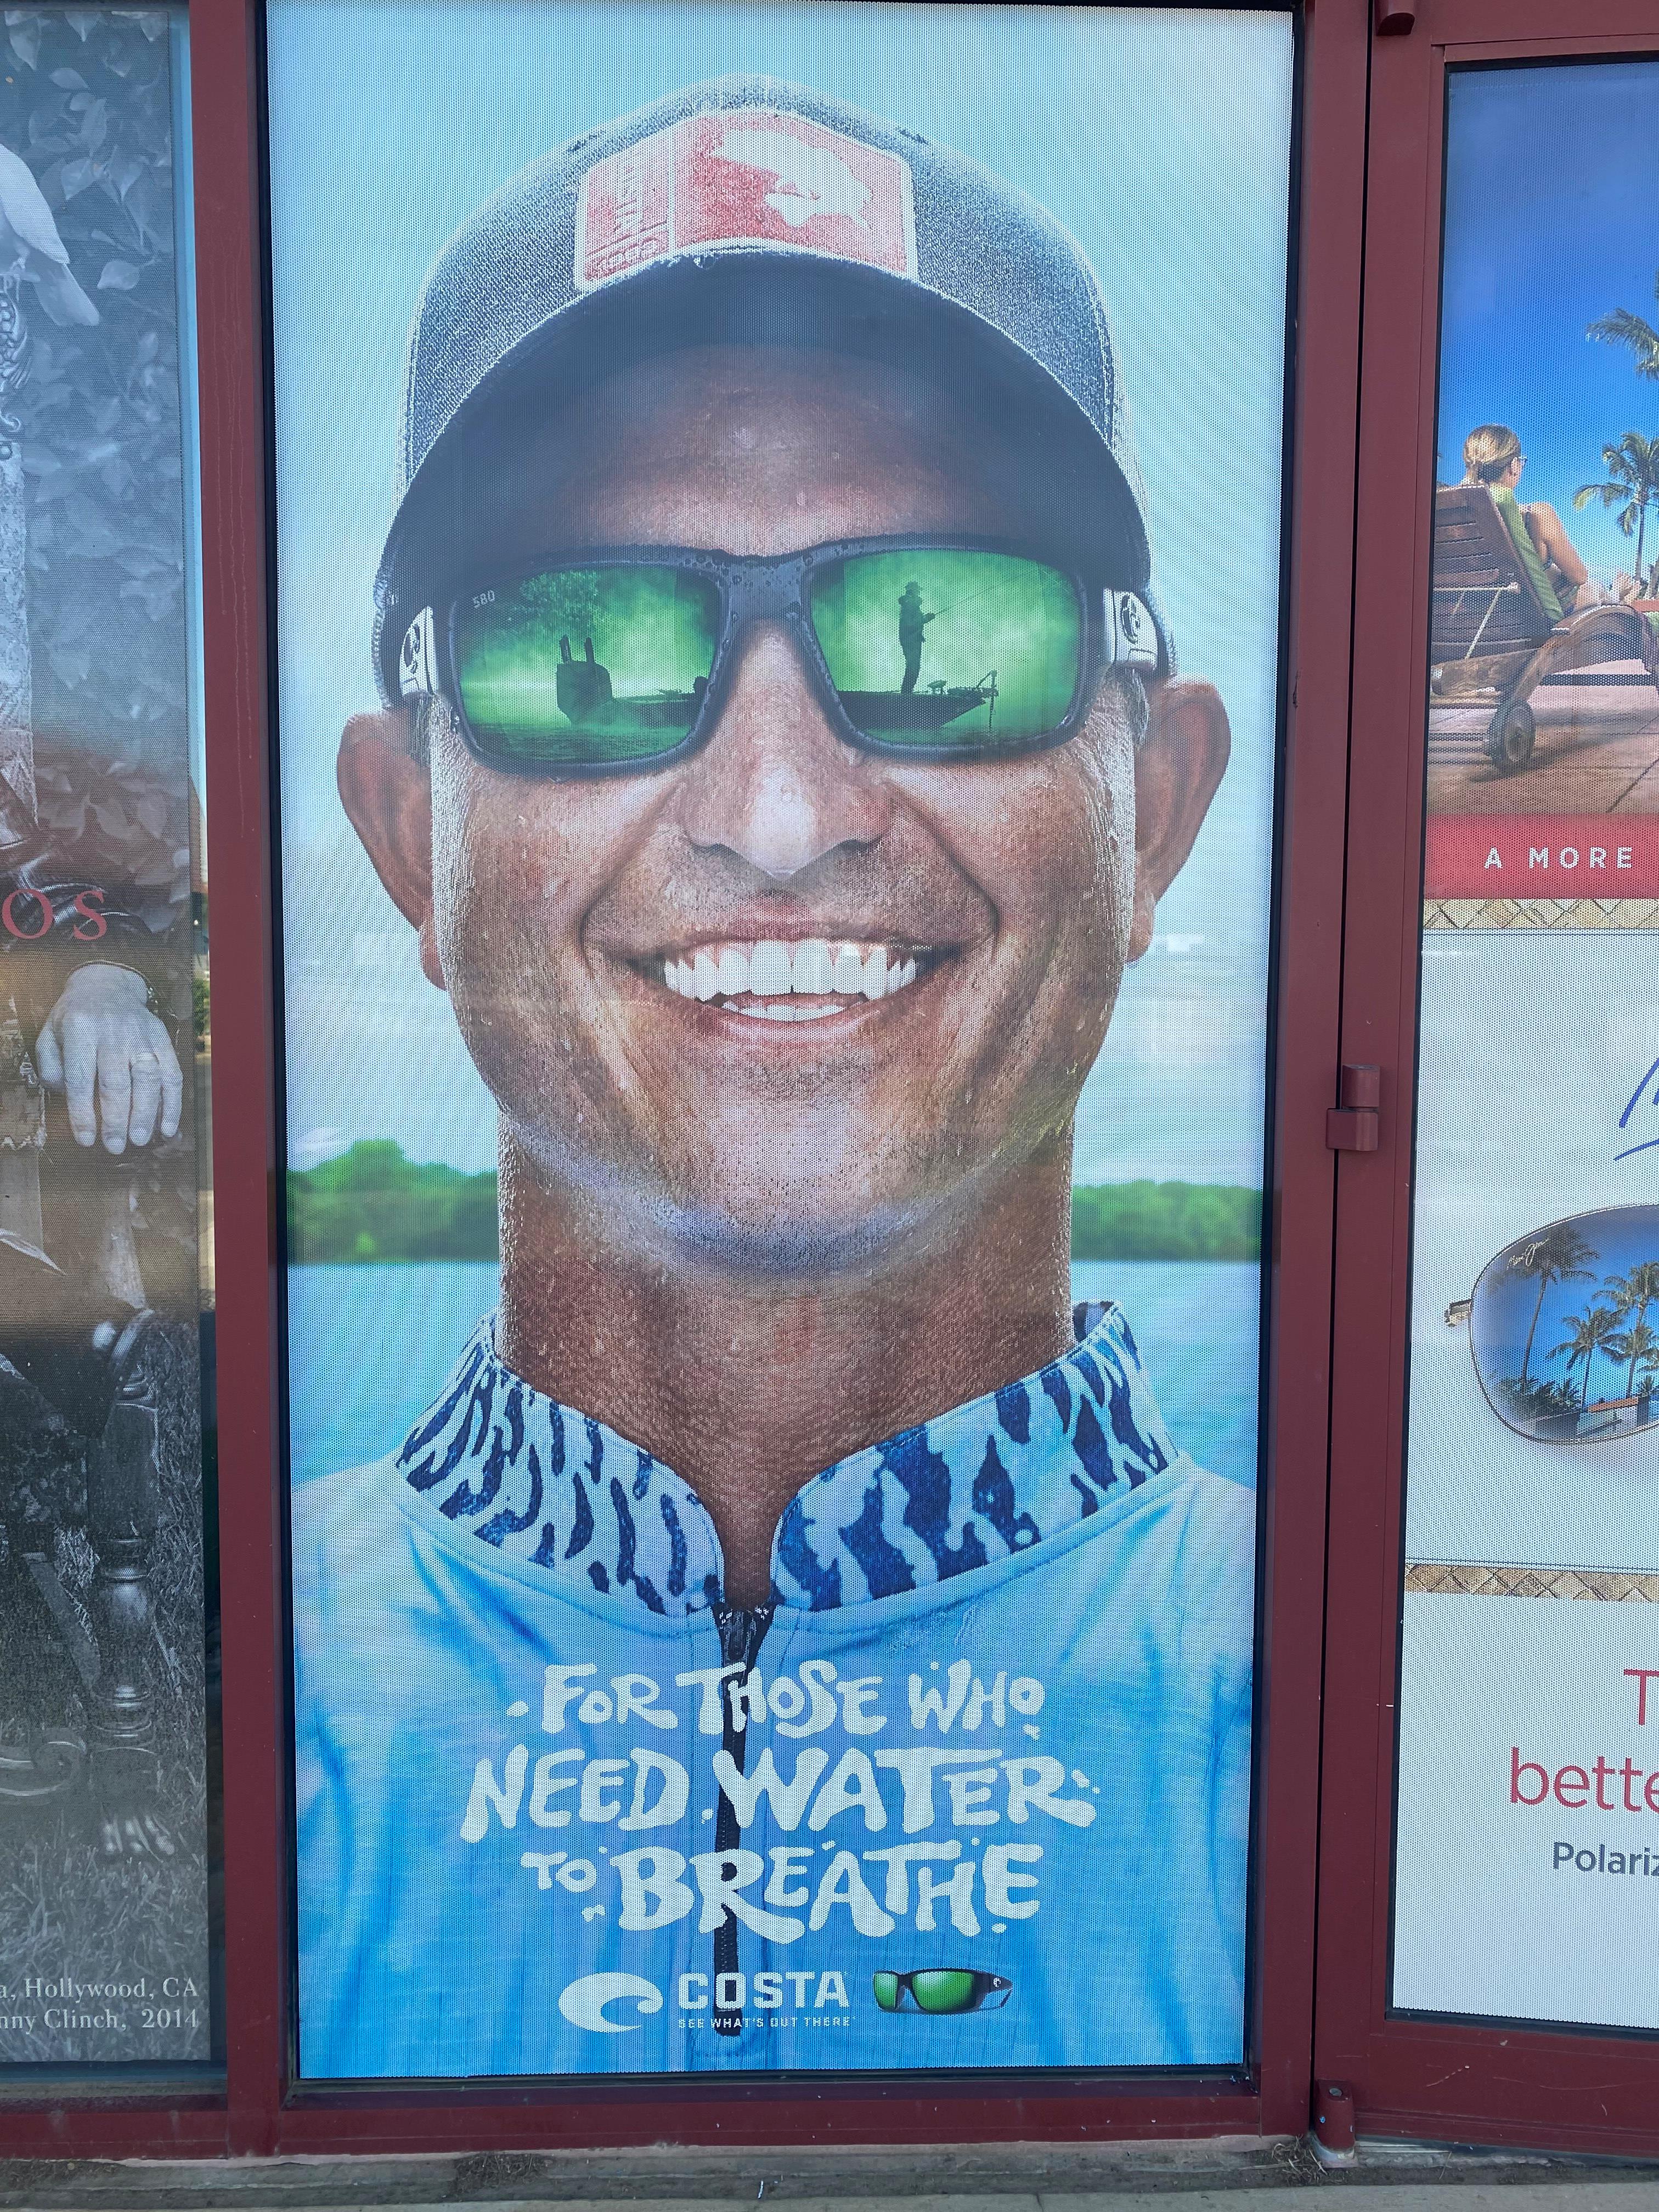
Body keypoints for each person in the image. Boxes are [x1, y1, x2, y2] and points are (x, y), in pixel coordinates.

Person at [295, 77, 1254, 2083]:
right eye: (585, 648)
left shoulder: (1363, 1702)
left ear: (1153, 810)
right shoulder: (185, 1696)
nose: (783, 809)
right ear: (408, 835)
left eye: (943, 631)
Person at [1461, 423, 1606, 618]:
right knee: (1594, 588)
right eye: (1521, 462)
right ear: (1514, 466)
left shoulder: (1455, 511)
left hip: (1478, 613)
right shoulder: (1537, 515)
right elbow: (1579, 576)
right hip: (1532, 618)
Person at [896, 578, 934, 693]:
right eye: (917, 591)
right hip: (910, 640)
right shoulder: (908, 604)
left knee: (914, 666)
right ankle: (906, 692)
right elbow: (910, 624)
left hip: (914, 640)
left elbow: (917, 621)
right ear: (912, 591)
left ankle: (907, 691)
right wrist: (924, 619)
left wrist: (926, 618)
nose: (919, 593)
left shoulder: (912, 605)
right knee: (913, 666)